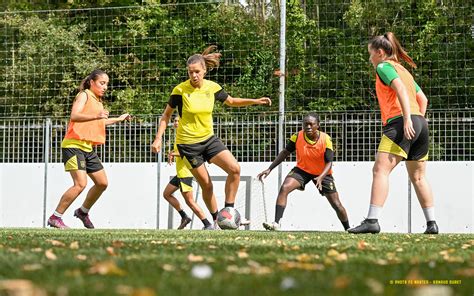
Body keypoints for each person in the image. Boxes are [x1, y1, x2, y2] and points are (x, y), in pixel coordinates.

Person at [151, 45, 271, 226]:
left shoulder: (212, 88)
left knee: (235, 169)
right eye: (190, 72)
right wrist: (158, 137)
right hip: (188, 145)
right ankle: (217, 219)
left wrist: (255, 101)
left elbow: (231, 101)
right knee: (207, 185)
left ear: (205, 70)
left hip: (209, 140)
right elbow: (166, 115)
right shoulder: (179, 91)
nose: (194, 75)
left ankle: (228, 212)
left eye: (197, 72)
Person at [348, 32, 438, 234]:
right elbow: (423, 99)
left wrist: (406, 119)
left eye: (370, 54)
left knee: (380, 170)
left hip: (400, 122)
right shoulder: (404, 71)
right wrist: (416, 119)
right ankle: (432, 223)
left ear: (380, 53)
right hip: (421, 124)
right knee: (419, 177)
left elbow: (400, 90)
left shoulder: (384, 67)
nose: (370, 59)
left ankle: (372, 220)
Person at [47, 69, 131, 229]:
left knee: (102, 183)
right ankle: (55, 217)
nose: (105, 87)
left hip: (87, 147)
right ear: (92, 82)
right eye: (102, 83)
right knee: (80, 184)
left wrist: (118, 119)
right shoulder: (84, 95)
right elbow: (74, 116)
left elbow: (98, 122)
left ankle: (83, 212)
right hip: (73, 145)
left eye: (107, 84)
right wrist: (96, 116)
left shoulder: (98, 101)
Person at [257, 113, 350, 231]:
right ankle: (276, 223)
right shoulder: (297, 136)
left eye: (311, 124)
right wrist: (270, 168)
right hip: (302, 170)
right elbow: (285, 152)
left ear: (318, 125)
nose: (308, 127)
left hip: (323, 173)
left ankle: (348, 228)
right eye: (306, 124)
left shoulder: (325, 139)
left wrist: (321, 177)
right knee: (285, 187)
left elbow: (329, 162)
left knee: (336, 204)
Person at [164, 116, 215, 230]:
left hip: (185, 174)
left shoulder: (185, 136)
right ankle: (184, 217)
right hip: (180, 174)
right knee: (166, 194)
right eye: (175, 121)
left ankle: (207, 224)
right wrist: (173, 153)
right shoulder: (178, 135)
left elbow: (187, 152)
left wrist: (172, 154)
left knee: (190, 202)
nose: (176, 122)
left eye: (178, 121)